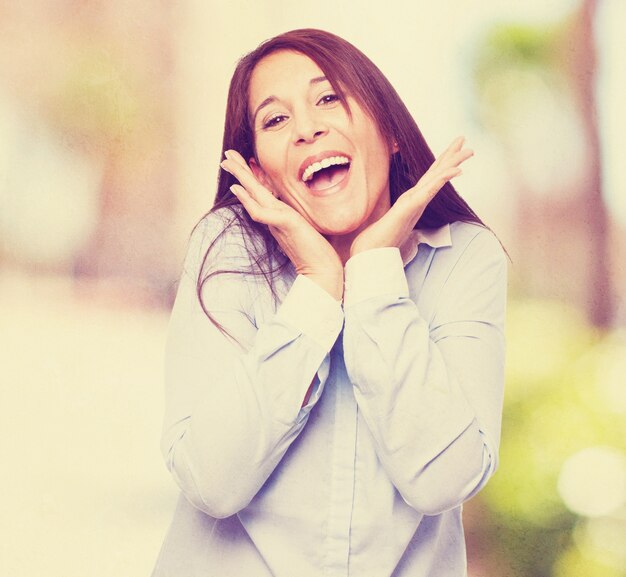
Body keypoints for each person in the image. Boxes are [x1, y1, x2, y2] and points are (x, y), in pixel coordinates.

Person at [153, 28, 507, 577]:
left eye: (328, 99)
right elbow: (211, 481)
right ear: (261, 172)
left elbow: (443, 479)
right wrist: (317, 286)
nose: (307, 128)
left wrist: (373, 275)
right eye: (275, 120)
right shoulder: (227, 248)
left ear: (389, 130)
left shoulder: (465, 257)